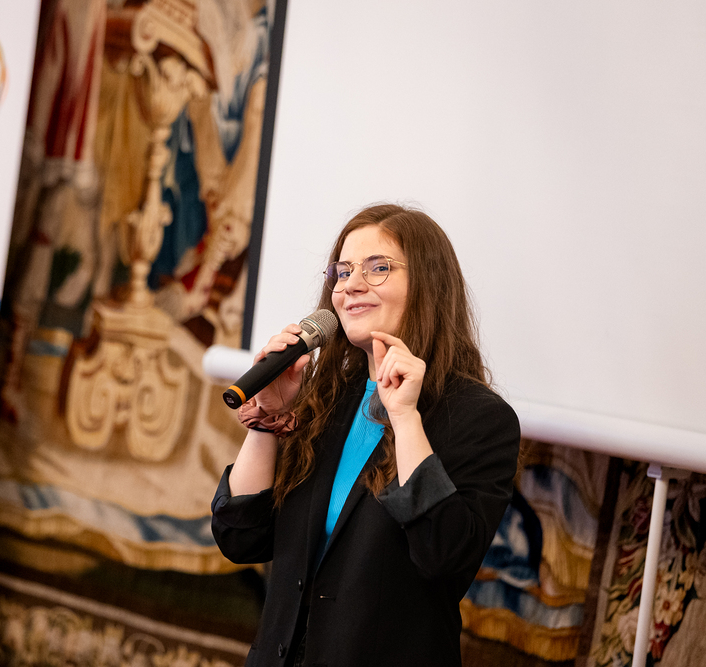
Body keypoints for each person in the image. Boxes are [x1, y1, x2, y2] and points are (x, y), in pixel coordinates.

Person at [211, 203, 520, 666]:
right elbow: (241, 538)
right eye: (343, 271)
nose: (351, 285)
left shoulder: (480, 417)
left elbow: (444, 555)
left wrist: (405, 417)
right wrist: (266, 423)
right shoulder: (327, 398)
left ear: (428, 285)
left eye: (378, 268)